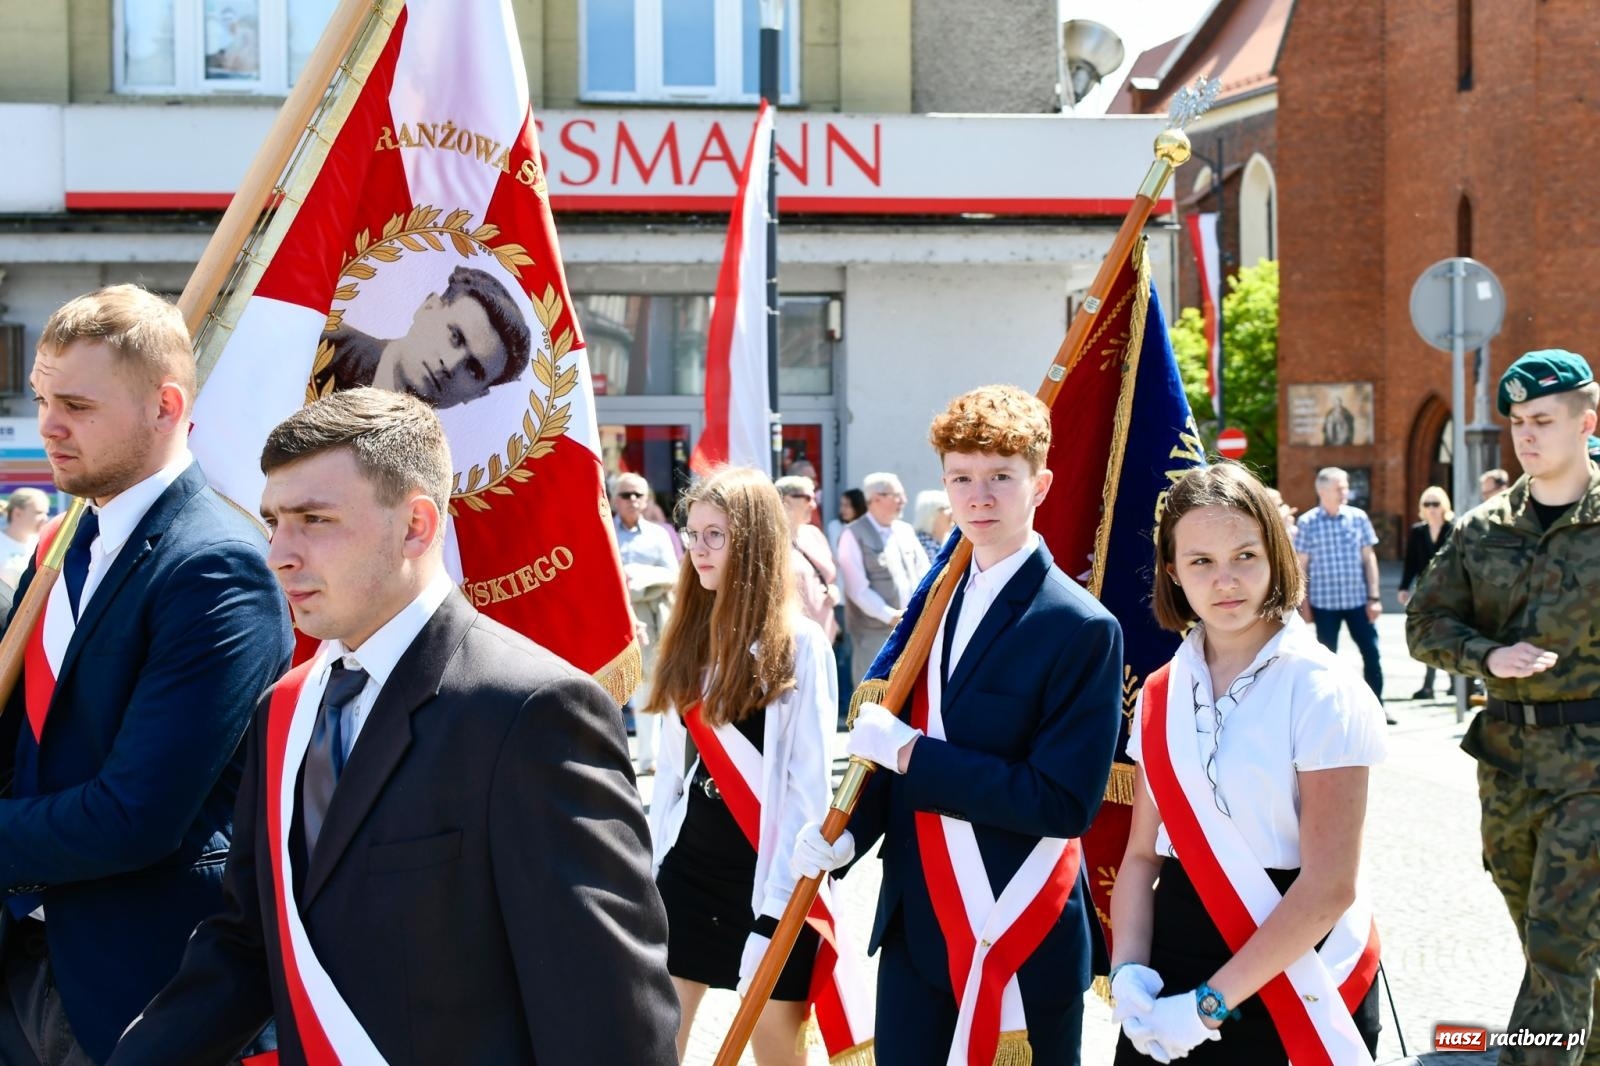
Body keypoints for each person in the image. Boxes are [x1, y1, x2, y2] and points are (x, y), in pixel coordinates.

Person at [111, 388, 678, 1064]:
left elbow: (606, 1016)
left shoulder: (532, 711)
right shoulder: (284, 710)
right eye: (274, 522)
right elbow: (247, 944)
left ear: (415, 525)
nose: (278, 554)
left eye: (314, 519)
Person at [0, 284, 293, 1064]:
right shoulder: (64, 545)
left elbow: (136, 814)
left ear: (166, 406)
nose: (47, 425)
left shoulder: (218, 568)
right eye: (42, 398)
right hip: (26, 972)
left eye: (76, 405)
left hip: (143, 992)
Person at [794, 384, 1124, 1066]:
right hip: (918, 927)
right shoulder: (930, 606)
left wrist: (914, 755)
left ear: (1041, 485)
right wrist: (849, 830)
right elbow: (892, 750)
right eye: (962, 478)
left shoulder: (1081, 626)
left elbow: (1062, 801)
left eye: (1001, 476)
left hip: (1020, 928)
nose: (979, 497)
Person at [1109, 462, 1386, 1065]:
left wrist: (1207, 1006)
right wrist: (1128, 971)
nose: (1225, 580)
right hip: (1175, 959)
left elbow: (1330, 885)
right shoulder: (1158, 693)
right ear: (1172, 571)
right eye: (1201, 561)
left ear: (1275, 556)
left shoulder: (1323, 688)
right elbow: (1140, 856)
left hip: (1296, 964)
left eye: (1245, 555)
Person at [1407, 349, 1600, 1066]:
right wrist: (1486, 657)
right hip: (1509, 766)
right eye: (1518, 421)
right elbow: (1425, 625)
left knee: (1558, 944)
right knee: (1546, 939)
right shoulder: (1483, 528)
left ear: (1587, 423)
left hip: (1592, 767)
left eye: (1543, 420)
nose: (1526, 435)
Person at [644, 466, 837, 1065]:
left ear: (752, 542)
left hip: (770, 873)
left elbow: (808, 789)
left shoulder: (801, 644)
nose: (698, 549)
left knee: (775, 1048)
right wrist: (652, 867)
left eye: (716, 535)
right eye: (693, 534)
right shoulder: (690, 638)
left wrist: (779, 907)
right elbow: (669, 778)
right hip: (691, 865)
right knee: (654, 1038)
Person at [323, 265, 531, 409]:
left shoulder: (433, 458)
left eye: (473, 369)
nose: (450, 364)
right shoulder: (320, 344)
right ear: (428, 308)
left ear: (477, 394)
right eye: (455, 336)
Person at [1294, 466, 1389, 720]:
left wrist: (1374, 597)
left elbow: (1369, 559)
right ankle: (1331, 712)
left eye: (1346, 487)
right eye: (1340, 488)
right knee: (1326, 660)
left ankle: (1377, 707)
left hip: (1358, 601)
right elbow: (1301, 566)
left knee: (1371, 653)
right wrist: (1304, 603)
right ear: (1322, 491)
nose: (1345, 492)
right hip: (1324, 604)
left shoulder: (1358, 518)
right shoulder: (1308, 522)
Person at [612, 470, 678, 776]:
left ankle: (650, 759)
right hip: (612, 616)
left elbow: (672, 575)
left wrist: (637, 578)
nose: (632, 500)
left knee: (649, 688)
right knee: (609, 689)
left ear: (647, 499)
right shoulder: (603, 530)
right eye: (626, 494)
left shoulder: (658, 534)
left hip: (650, 619)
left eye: (638, 494)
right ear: (614, 499)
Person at [836, 472, 930, 685]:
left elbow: (924, 572)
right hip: (874, 635)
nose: (903, 500)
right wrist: (890, 616)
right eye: (897, 495)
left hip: (912, 628)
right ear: (876, 499)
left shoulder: (905, 531)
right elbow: (857, 589)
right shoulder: (853, 534)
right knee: (873, 694)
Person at [1396, 486, 1455, 699]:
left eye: (1435, 503)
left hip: (1450, 593)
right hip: (1425, 593)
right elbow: (1410, 563)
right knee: (1430, 638)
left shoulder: (1453, 529)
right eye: (1427, 504)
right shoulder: (1418, 532)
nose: (1431, 508)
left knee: (1449, 636)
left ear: (1444, 506)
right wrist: (1404, 587)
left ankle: (1456, 684)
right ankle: (1428, 686)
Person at [776, 474, 840, 643]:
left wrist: (833, 590)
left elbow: (830, 577)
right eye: (808, 498)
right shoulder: (771, 540)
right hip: (793, 638)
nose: (813, 505)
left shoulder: (814, 534)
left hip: (825, 633)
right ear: (786, 500)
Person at [0, 487, 49, 590]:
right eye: (38, 513)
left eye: (46, 513)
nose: (45, 518)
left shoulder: (42, 544)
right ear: (17, 513)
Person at [911, 488, 954, 559]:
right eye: (946, 508)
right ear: (930, 514)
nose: (952, 512)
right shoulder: (917, 545)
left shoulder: (952, 540)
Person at [827, 487, 866, 555]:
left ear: (857, 507)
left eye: (847, 506)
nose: (843, 509)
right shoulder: (834, 526)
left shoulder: (866, 529)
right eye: (841, 505)